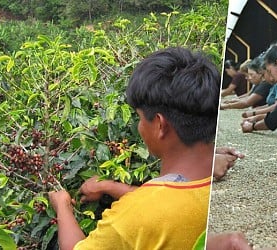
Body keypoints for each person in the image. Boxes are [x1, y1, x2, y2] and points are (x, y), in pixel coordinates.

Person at [48, 47, 219, 249]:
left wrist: (62, 206)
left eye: (139, 117)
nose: (139, 126)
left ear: (159, 125)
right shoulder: (220, 172)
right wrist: (108, 186)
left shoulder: (131, 219)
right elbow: (173, 199)